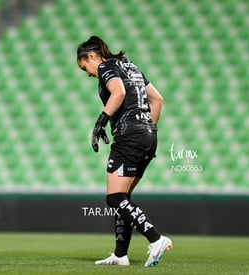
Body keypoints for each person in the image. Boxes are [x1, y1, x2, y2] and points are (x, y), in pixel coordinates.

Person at [76, 36, 173, 267]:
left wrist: (101, 122)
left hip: (129, 136)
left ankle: (156, 238)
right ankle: (120, 255)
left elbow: (118, 93)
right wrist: (148, 128)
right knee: (123, 199)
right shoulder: (130, 66)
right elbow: (157, 100)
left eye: (85, 67)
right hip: (148, 136)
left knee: (115, 198)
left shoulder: (106, 66)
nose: (89, 73)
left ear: (92, 56)